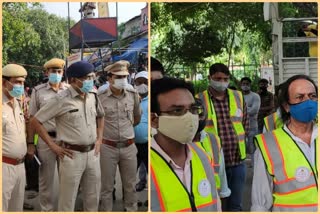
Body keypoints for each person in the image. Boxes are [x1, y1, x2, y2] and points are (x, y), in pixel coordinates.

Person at [30, 61, 105, 211]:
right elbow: (35, 121)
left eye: (91, 77)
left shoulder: (93, 95)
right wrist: (53, 145)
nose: (90, 81)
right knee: (67, 200)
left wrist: (99, 139)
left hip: (92, 154)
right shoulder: (61, 99)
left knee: (92, 197)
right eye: (86, 78)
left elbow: (101, 116)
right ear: (73, 80)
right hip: (71, 155)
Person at [150, 77, 220, 212]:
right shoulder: (150, 163)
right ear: (154, 120)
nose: (189, 118)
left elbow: (215, 205)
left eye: (193, 109)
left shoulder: (202, 155)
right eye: (177, 110)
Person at [251, 74, 318, 211]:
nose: (308, 102)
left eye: (312, 96)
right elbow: (259, 205)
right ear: (287, 106)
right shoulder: (268, 145)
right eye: (300, 97)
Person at [197, 63, 249, 211]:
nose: (222, 82)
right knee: (217, 204)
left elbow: (245, 124)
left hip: (237, 159)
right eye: (218, 78)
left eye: (225, 79)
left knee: (236, 205)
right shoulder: (199, 99)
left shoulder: (238, 96)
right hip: (213, 162)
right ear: (209, 78)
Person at [99, 60, 142, 211]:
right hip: (107, 147)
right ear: (109, 78)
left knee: (130, 186)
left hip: (129, 147)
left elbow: (136, 118)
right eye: (118, 77)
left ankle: (130, 210)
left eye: (125, 76)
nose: (122, 80)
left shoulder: (133, 94)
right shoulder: (100, 96)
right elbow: (96, 121)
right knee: (107, 187)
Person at [26, 58, 68, 211]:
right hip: (45, 140)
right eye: (53, 71)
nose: (56, 74)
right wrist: (31, 144)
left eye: (59, 71)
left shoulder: (69, 90)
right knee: (46, 181)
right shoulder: (38, 91)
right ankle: (47, 209)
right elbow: (32, 119)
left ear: (62, 72)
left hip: (66, 140)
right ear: (46, 72)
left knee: (67, 179)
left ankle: (65, 208)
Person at [192, 98, 231, 200]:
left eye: (201, 114)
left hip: (213, 203)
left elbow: (221, 173)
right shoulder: (174, 143)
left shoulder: (213, 140)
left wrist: (223, 194)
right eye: (193, 113)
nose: (199, 118)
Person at [2, 64, 28, 211]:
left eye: (23, 82)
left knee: (16, 208)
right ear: (4, 83)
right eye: (17, 82)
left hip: (20, 166)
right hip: (4, 167)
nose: (21, 86)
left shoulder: (18, 103)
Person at [133, 71, 149, 192]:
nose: (142, 85)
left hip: (148, 143)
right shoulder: (130, 99)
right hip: (132, 144)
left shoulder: (152, 101)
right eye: (139, 82)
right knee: (129, 173)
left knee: (151, 171)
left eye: (145, 82)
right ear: (135, 83)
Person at [240, 77, 261, 166]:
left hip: (252, 125)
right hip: (240, 126)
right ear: (240, 85)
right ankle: (243, 165)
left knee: (253, 146)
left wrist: (241, 110)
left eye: (247, 84)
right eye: (243, 84)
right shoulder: (238, 96)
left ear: (250, 85)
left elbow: (254, 110)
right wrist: (248, 108)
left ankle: (255, 165)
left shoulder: (255, 96)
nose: (245, 86)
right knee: (241, 146)